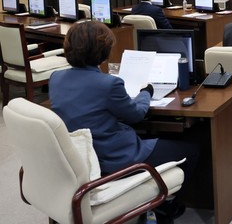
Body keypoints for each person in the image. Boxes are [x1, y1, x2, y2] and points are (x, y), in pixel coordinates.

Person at [49, 22, 199, 223]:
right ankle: (165, 206)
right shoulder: (108, 84)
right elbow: (136, 114)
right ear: (103, 52)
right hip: (115, 158)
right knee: (192, 150)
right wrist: (146, 92)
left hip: (81, 159)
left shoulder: (56, 78)